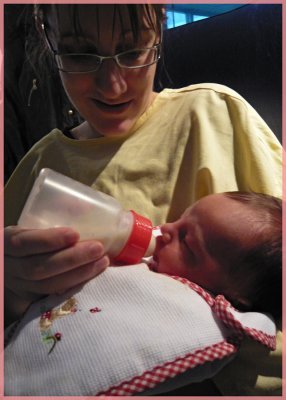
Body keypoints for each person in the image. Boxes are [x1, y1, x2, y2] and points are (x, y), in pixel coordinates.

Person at [4, 4, 282, 396]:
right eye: (80, 54)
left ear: (160, 35)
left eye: (133, 51)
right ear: (46, 34)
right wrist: (12, 292)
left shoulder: (215, 115)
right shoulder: (39, 169)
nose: (113, 85)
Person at [150, 191, 282, 321]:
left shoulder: (203, 321)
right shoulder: (155, 243)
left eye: (185, 242)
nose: (165, 228)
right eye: (180, 217)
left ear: (232, 298)